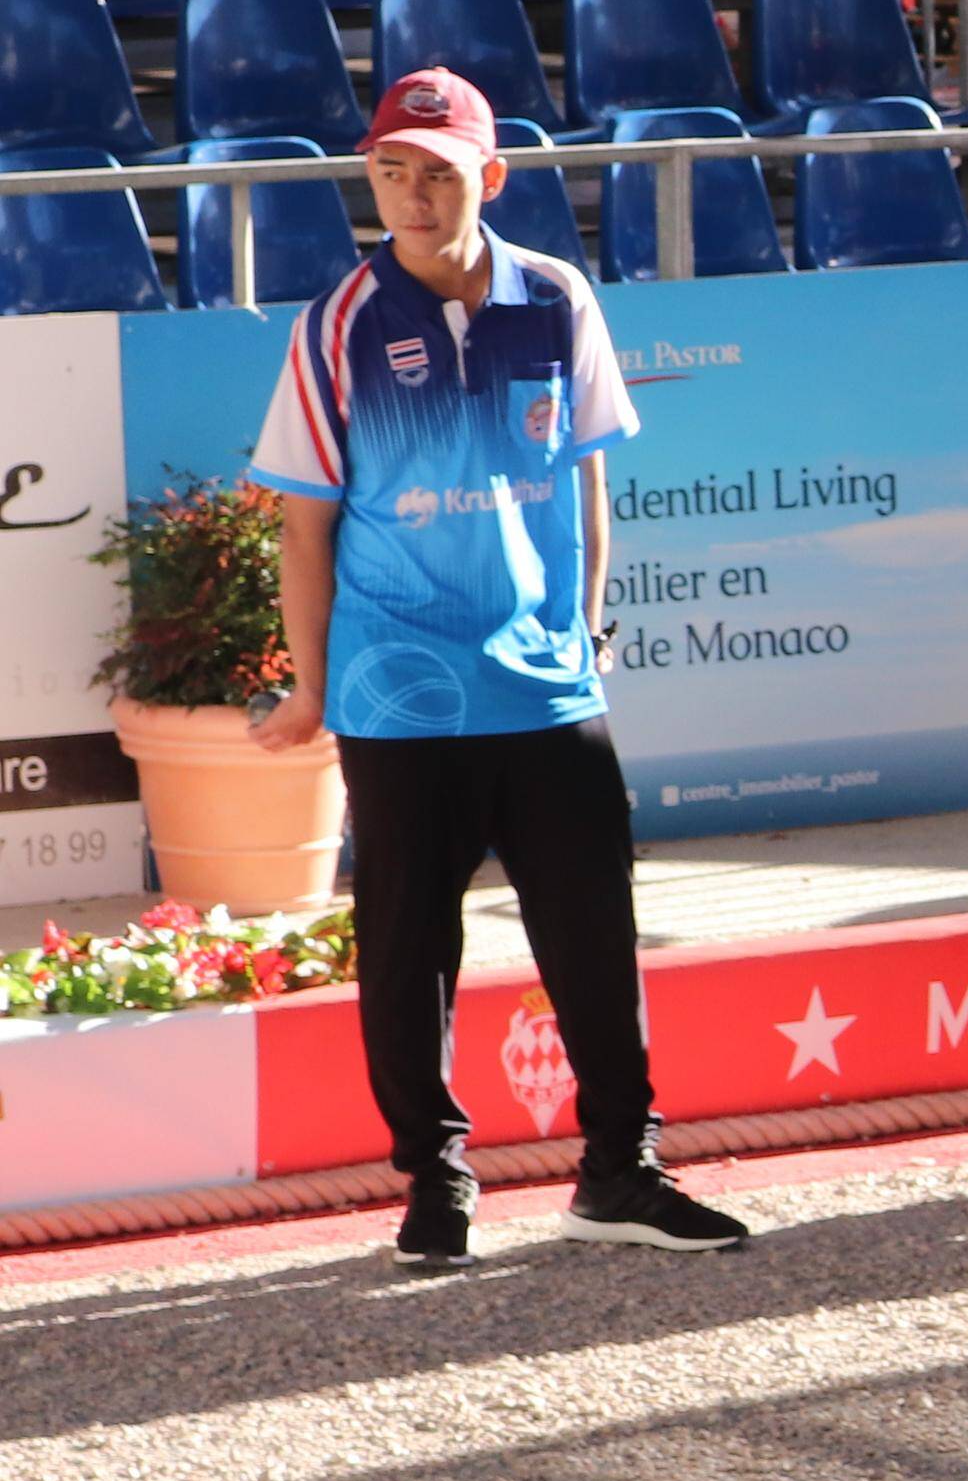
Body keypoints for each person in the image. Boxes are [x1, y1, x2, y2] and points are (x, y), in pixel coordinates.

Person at [244, 70, 748, 1265]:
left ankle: (619, 1173)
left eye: (438, 173)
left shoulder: (556, 297)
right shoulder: (336, 324)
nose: (412, 198)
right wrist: (314, 688)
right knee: (407, 950)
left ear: (492, 177)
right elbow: (305, 528)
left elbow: (585, 476)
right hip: (397, 691)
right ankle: (434, 1181)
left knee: (594, 939)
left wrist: (586, 628)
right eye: (390, 173)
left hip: (544, 686)